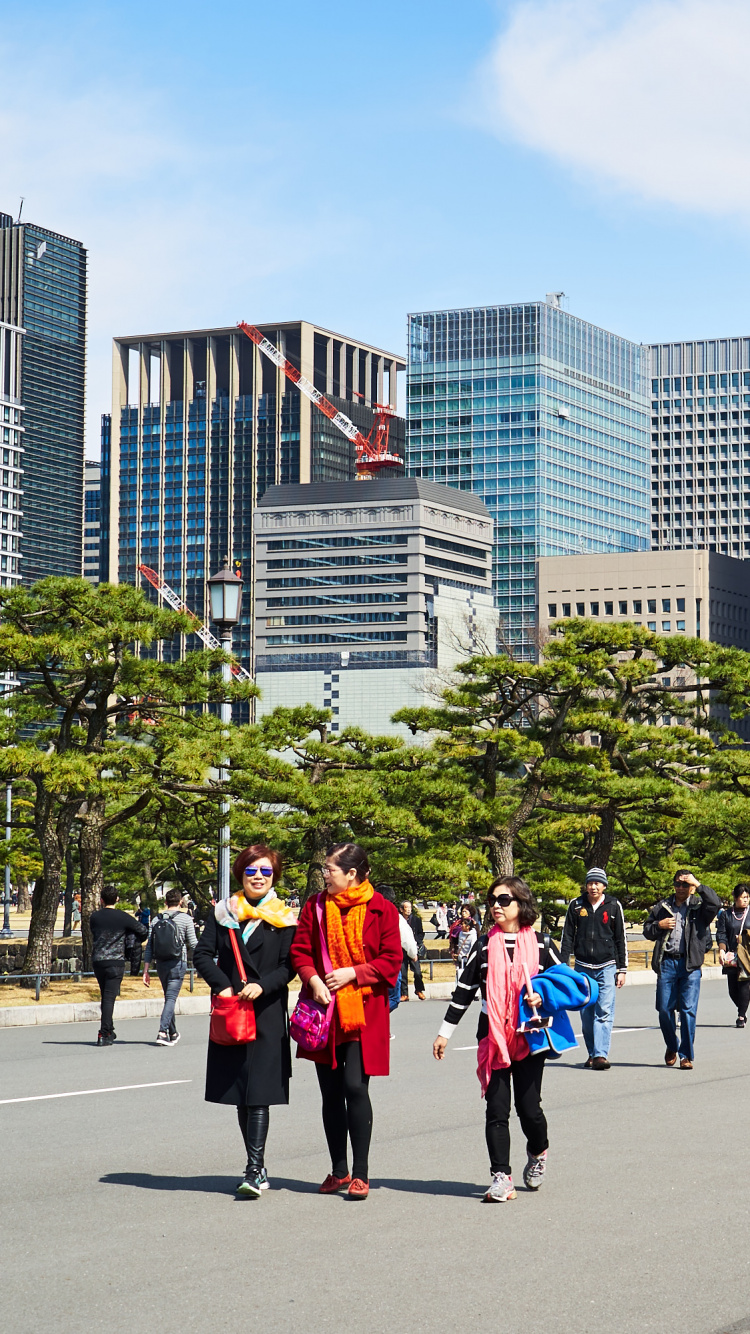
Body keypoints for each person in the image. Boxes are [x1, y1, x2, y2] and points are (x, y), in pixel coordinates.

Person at [433, 875, 593, 1203]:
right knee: (496, 1109)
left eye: (504, 900)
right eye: (492, 900)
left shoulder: (542, 944)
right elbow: (464, 992)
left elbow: (566, 982)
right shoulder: (482, 945)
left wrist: (542, 996)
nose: (496, 906)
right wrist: (444, 1033)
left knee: (529, 1109)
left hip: (529, 1036)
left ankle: (538, 1151)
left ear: (521, 903)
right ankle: (501, 1177)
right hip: (492, 1037)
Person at [290, 842, 401, 1200]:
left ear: (352, 873)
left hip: (362, 1013)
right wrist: (313, 980)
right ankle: (339, 1170)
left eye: (330, 869)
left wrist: (354, 973)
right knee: (330, 1093)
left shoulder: (382, 909)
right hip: (324, 1011)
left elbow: (391, 960)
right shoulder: (315, 906)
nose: (325, 874)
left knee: (355, 1087)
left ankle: (361, 1172)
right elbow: (300, 951)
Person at [193, 844, 297, 1198]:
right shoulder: (224, 913)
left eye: (266, 871)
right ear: (241, 874)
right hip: (233, 1010)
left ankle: (253, 1170)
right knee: (242, 1093)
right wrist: (222, 986)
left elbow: (288, 966)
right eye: (252, 870)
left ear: (274, 876)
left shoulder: (284, 917)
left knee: (259, 1094)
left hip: (267, 1012)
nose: (258, 877)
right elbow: (202, 954)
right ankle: (258, 1165)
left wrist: (262, 985)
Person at [643, 869, 721, 1069]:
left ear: (691, 886)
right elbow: (647, 930)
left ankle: (686, 1055)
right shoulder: (663, 906)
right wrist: (659, 925)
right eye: (677, 883)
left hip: (690, 965)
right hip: (667, 963)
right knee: (664, 1009)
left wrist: (699, 884)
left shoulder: (699, 907)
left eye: (685, 884)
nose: (680, 888)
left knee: (688, 1011)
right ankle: (672, 1045)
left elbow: (715, 903)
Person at [559, 867, 628, 1070]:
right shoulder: (576, 905)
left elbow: (620, 938)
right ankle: (591, 1053)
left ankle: (600, 1055)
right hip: (582, 966)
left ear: (604, 885)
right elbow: (567, 936)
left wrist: (622, 969)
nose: (593, 887)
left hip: (607, 965)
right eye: (590, 883)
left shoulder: (613, 905)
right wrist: (564, 966)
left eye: (597, 883)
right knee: (587, 1013)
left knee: (604, 1011)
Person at [89, 885, 148, 1046]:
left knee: (105, 996)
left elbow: (93, 932)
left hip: (98, 960)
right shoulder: (123, 917)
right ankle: (104, 1033)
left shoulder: (95, 917)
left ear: (101, 900)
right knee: (109, 998)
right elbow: (143, 930)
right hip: (115, 961)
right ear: (117, 899)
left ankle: (109, 1029)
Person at [143, 887, 198, 1045]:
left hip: (161, 963)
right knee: (171, 998)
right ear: (180, 902)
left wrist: (146, 970)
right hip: (178, 962)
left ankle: (173, 1033)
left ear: (166, 902)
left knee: (168, 997)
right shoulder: (185, 919)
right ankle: (162, 1032)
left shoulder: (156, 919)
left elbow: (149, 947)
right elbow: (193, 943)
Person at [716, 883, 750, 1028]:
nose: (746, 900)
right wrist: (721, 950)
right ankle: (742, 1008)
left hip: (747, 955)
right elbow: (721, 934)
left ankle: (741, 1016)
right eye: (743, 897)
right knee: (732, 990)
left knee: (744, 984)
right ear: (735, 898)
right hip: (732, 955)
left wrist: (744, 937)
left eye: (747, 897)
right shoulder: (726, 915)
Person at [400, 901, 426, 1001]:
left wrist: (417, 942)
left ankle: (419, 990)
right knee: (403, 972)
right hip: (402, 949)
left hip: (414, 948)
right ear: (401, 909)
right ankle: (404, 994)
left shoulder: (416, 920)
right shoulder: (399, 921)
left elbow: (421, 933)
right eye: (406, 907)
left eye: (410, 907)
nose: (408, 909)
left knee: (417, 971)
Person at [451, 905, 478, 981]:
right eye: (462, 911)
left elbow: (476, 941)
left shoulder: (474, 925)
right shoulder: (457, 924)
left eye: (465, 911)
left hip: (468, 956)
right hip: (459, 953)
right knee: (459, 973)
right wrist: (453, 950)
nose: (463, 913)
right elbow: (453, 939)